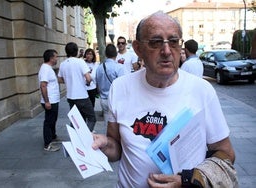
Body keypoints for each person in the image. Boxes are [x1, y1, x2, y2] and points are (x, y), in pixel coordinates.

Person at [92, 11, 237, 188]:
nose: (167, 51)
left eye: (174, 42)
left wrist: (189, 180)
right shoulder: (120, 88)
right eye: (155, 42)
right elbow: (117, 148)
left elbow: (226, 153)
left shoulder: (202, 90)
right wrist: (105, 144)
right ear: (138, 48)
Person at [58, 42, 96, 132]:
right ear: (76, 51)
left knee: (76, 119)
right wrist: (87, 82)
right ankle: (86, 136)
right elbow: (88, 78)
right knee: (92, 118)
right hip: (82, 96)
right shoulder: (80, 62)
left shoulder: (63, 64)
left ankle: (76, 137)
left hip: (70, 97)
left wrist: (68, 81)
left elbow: (59, 79)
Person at [95, 44, 125, 127]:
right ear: (116, 54)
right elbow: (122, 86)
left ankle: (107, 138)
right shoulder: (119, 67)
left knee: (107, 123)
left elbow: (97, 84)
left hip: (104, 99)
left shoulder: (99, 68)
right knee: (118, 124)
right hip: (116, 100)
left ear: (106, 54)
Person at [38, 49, 60, 152]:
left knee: (53, 119)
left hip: (53, 100)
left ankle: (53, 137)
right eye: (56, 57)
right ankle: (47, 144)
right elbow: (43, 85)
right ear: (51, 58)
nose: (57, 59)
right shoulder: (45, 69)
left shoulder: (48, 68)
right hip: (50, 100)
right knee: (49, 121)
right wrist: (47, 101)